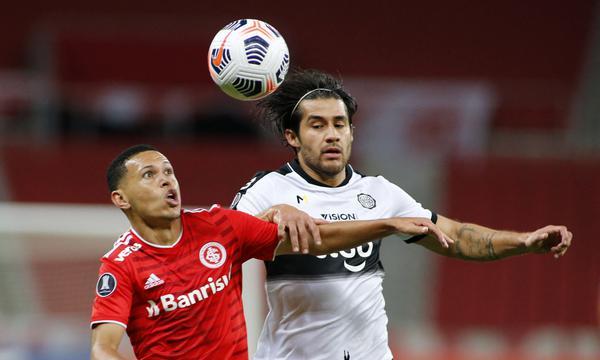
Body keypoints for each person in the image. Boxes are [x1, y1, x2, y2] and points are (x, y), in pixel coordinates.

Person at [231, 69, 574, 360]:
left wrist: (524, 241)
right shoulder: (268, 189)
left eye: (340, 124)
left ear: (352, 132)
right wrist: (273, 214)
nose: (332, 134)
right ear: (292, 136)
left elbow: (458, 238)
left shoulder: (378, 192)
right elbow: (225, 242)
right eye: (317, 126)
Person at [89, 144, 450, 360]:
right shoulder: (121, 266)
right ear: (120, 199)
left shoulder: (219, 227)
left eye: (168, 171)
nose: (167, 179)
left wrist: (386, 224)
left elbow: (315, 239)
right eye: (149, 175)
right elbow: (103, 348)